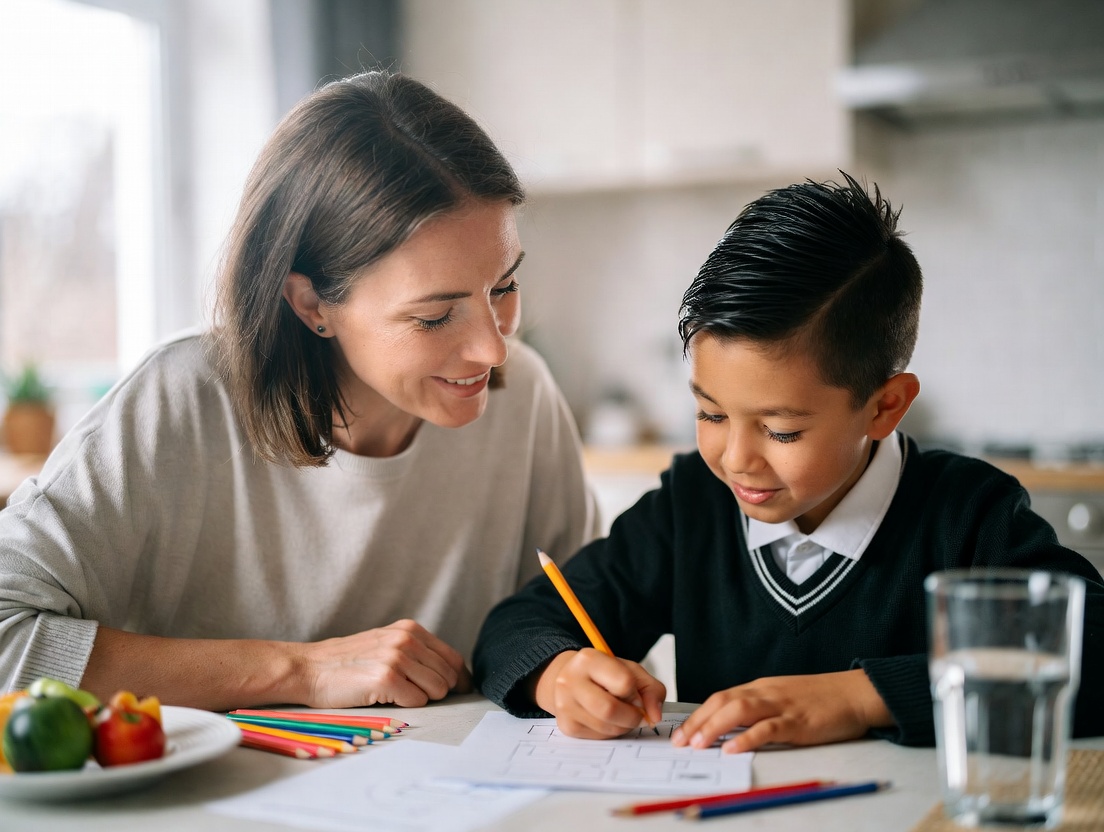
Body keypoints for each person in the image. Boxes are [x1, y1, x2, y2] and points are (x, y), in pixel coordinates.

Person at [0, 71, 598, 711]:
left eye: (502, 288)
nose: (494, 348)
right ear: (311, 302)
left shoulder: (523, 396)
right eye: (433, 316)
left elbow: (592, 633)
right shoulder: (178, 403)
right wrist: (298, 671)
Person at [472, 173, 1104, 751]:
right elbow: (516, 624)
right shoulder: (691, 508)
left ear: (885, 407)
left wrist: (863, 697)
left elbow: (1092, 647)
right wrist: (559, 675)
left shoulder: (966, 516)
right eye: (712, 415)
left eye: (780, 430)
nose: (735, 459)